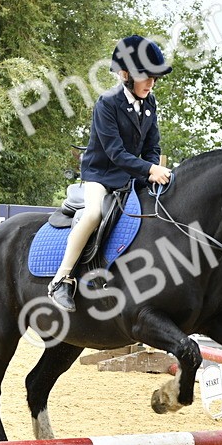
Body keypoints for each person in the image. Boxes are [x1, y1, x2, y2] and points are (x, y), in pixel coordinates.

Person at [47, 35, 174, 311]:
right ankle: (62, 280)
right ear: (125, 75)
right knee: (94, 214)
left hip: (132, 177)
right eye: (146, 77)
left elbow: (152, 147)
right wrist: (150, 169)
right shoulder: (107, 103)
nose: (151, 83)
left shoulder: (150, 103)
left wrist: (150, 170)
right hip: (101, 176)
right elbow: (115, 153)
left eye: (154, 77)